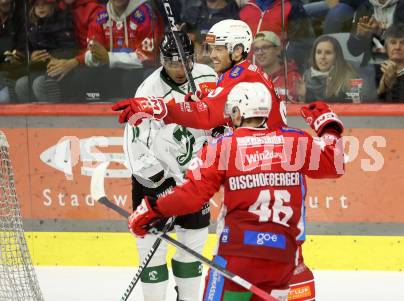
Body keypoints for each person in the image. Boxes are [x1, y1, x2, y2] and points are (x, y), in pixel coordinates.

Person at [127, 82, 345, 300]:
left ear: (238, 112)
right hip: (282, 260)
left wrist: (152, 210)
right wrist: (329, 126)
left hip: (238, 257)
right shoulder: (295, 141)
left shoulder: (223, 146)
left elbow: (192, 196)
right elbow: (335, 164)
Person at [123, 30, 217, 301]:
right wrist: (163, 185)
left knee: (192, 247)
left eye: (184, 61)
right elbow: (135, 148)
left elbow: (220, 116)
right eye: (172, 62)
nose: (179, 68)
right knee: (153, 252)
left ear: (193, 57)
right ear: (162, 60)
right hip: (155, 183)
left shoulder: (208, 77)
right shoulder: (148, 91)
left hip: (195, 181)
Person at [111, 19, 287, 131]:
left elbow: (205, 116)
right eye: (211, 49)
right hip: (267, 159)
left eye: (218, 49)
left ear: (238, 50)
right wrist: (207, 99)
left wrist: (158, 107)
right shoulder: (243, 72)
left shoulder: (241, 77)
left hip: (269, 167)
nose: (212, 56)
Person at [14, 0, 77, 102]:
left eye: (44, 4)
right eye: (37, 5)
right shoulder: (30, 24)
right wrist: (31, 56)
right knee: (21, 84)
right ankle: (32, 115)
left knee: (39, 83)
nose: (40, 7)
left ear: (52, 4)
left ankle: (54, 115)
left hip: (61, 69)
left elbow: (70, 49)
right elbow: (24, 48)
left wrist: (50, 56)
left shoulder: (63, 19)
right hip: (39, 69)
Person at [346, 0, 404, 67]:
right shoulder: (365, 7)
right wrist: (360, 36)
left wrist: (380, 33)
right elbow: (353, 51)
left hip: (403, 67)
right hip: (371, 68)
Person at [299, 35, 364, 103]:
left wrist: (331, 96)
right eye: (318, 52)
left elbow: (358, 107)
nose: (322, 57)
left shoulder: (350, 76)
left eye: (328, 53)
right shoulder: (306, 75)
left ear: (336, 56)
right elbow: (302, 108)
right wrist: (302, 97)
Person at [252, 30, 302, 102]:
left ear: (278, 50)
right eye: (256, 49)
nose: (260, 53)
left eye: (265, 47)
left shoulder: (293, 78)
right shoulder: (251, 77)